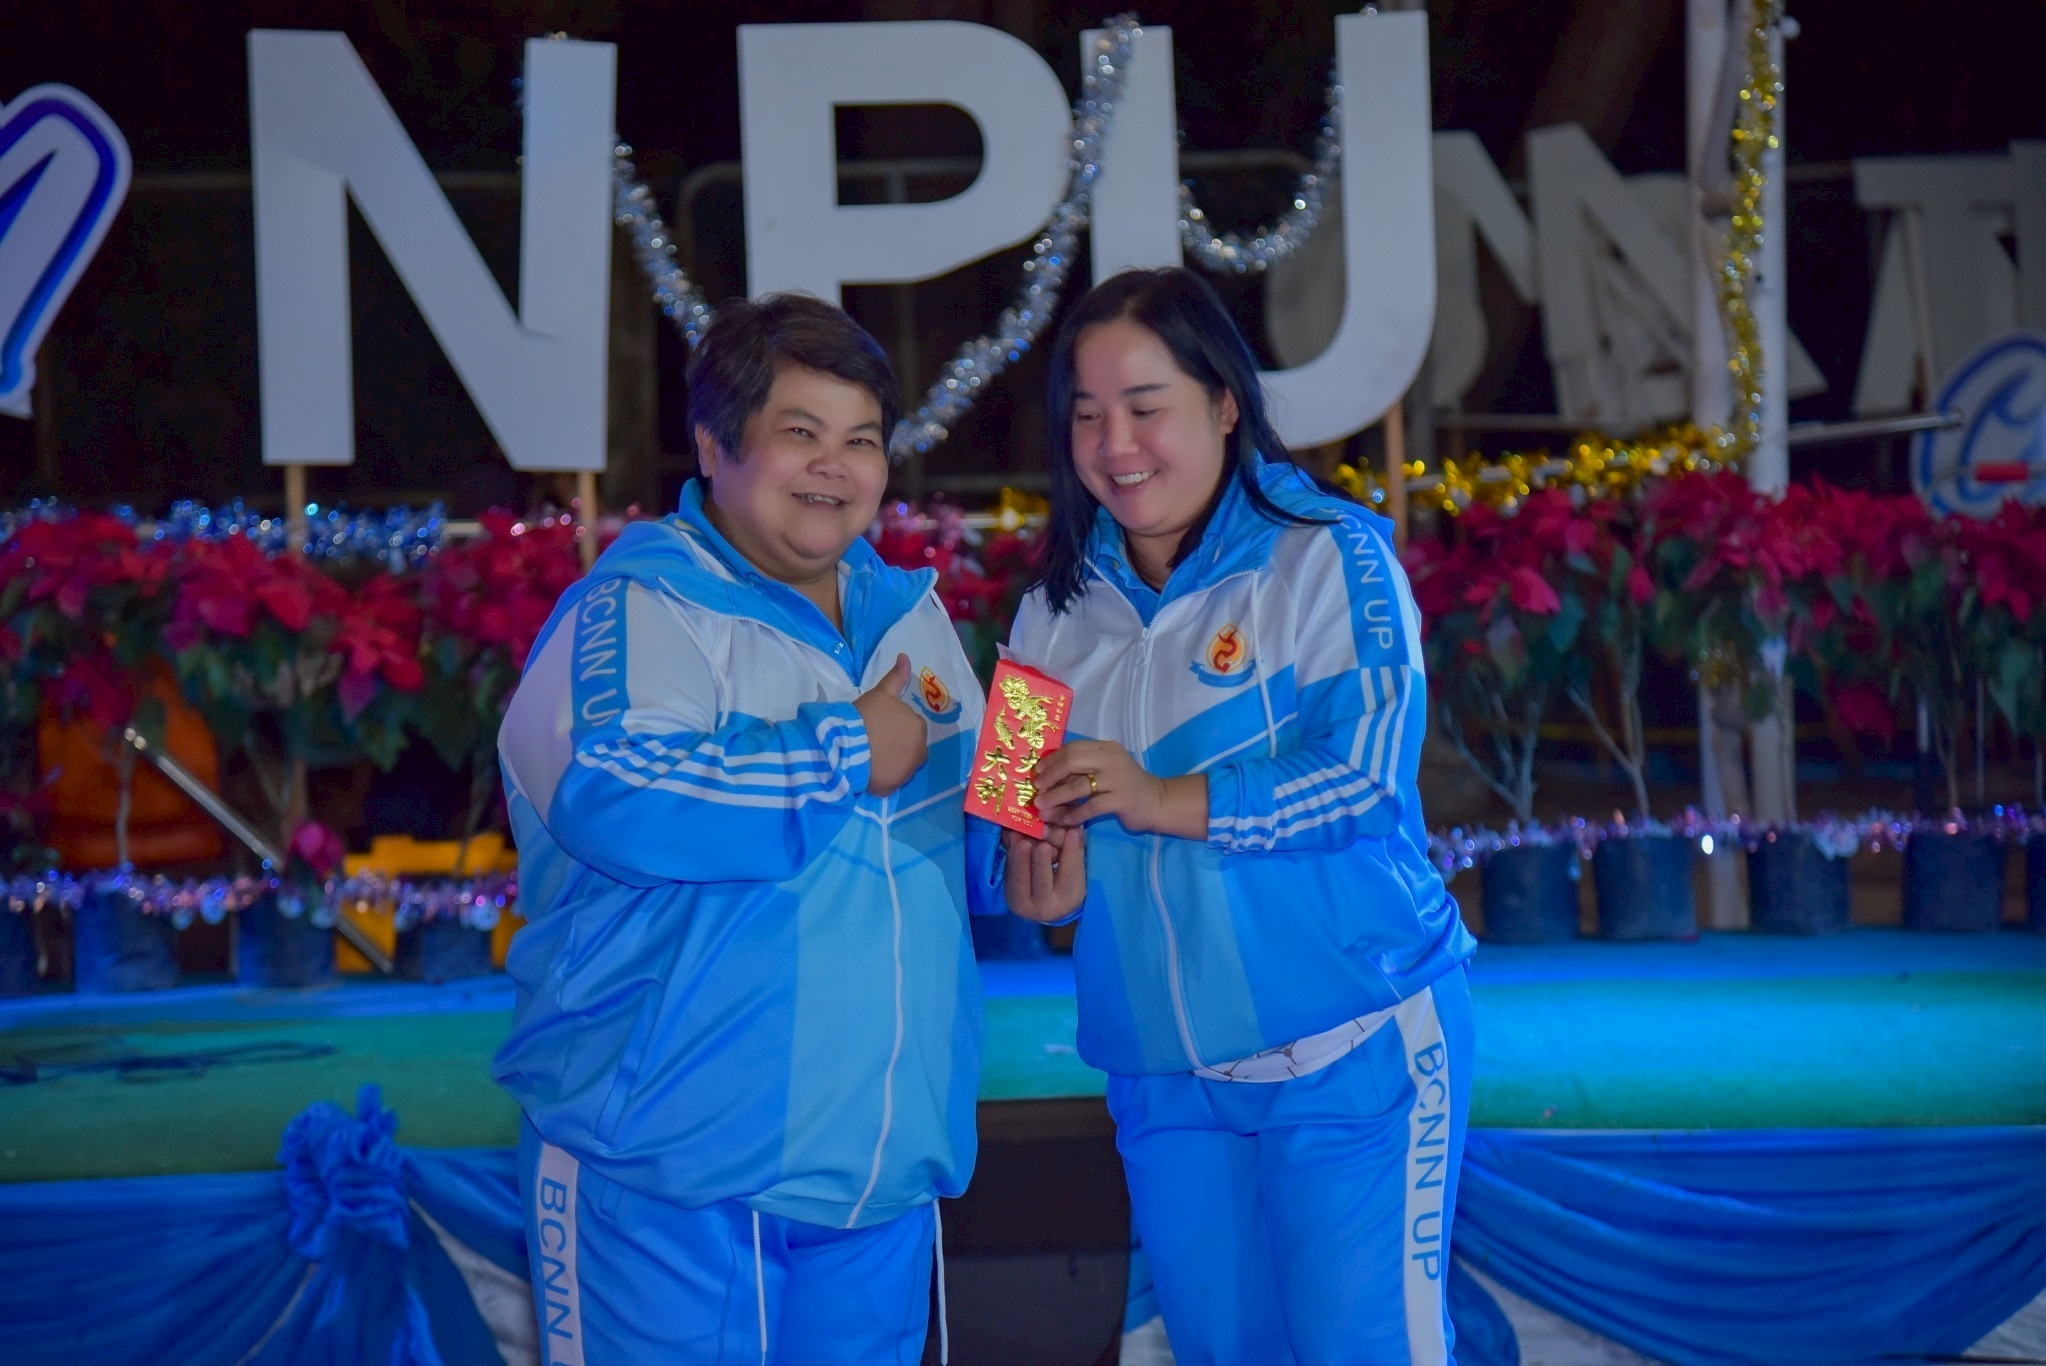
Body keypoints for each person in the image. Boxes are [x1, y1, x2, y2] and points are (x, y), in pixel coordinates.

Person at [494, 293, 990, 1364]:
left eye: (862, 440)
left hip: (878, 1173)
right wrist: (843, 748)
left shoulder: (908, 610)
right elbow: (616, 795)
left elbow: (953, 839)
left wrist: (1033, 845)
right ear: (715, 446)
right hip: (670, 1181)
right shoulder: (639, 606)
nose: (835, 469)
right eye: (800, 433)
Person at [997, 267, 1477, 1365]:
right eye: (1087, 414)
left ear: (1223, 402)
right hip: (1166, 1080)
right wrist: (1033, 875)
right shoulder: (1047, 611)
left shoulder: (1330, 554)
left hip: (1357, 1044)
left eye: (1146, 407)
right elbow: (1010, 816)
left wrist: (1159, 798)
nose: (1116, 444)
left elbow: (1366, 778)